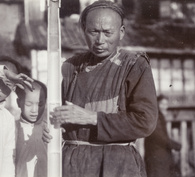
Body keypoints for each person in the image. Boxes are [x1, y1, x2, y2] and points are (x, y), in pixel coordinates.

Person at [42, 1, 158, 177]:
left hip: (117, 165)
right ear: (83, 29)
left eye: (107, 33)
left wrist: (93, 118)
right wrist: (48, 126)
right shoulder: (71, 66)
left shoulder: (134, 65)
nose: (100, 40)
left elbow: (145, 122)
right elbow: (56, 112)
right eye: (93, 32)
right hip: (73, 164)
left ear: (121, 33)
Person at [15, 80, 47, 177]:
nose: (34, 110)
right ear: (18, 103)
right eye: (28, 104)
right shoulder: (13, 128)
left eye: (40, 105)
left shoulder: (49, 129)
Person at [144, 94, 181, 177]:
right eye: (162, 104)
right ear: (157, 104)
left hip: (160, 159)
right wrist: (176, 145)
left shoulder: (160, 117)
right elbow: (160, 137)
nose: (165, 107)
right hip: (156, 159)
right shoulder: (155, 117)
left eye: (166, 104)